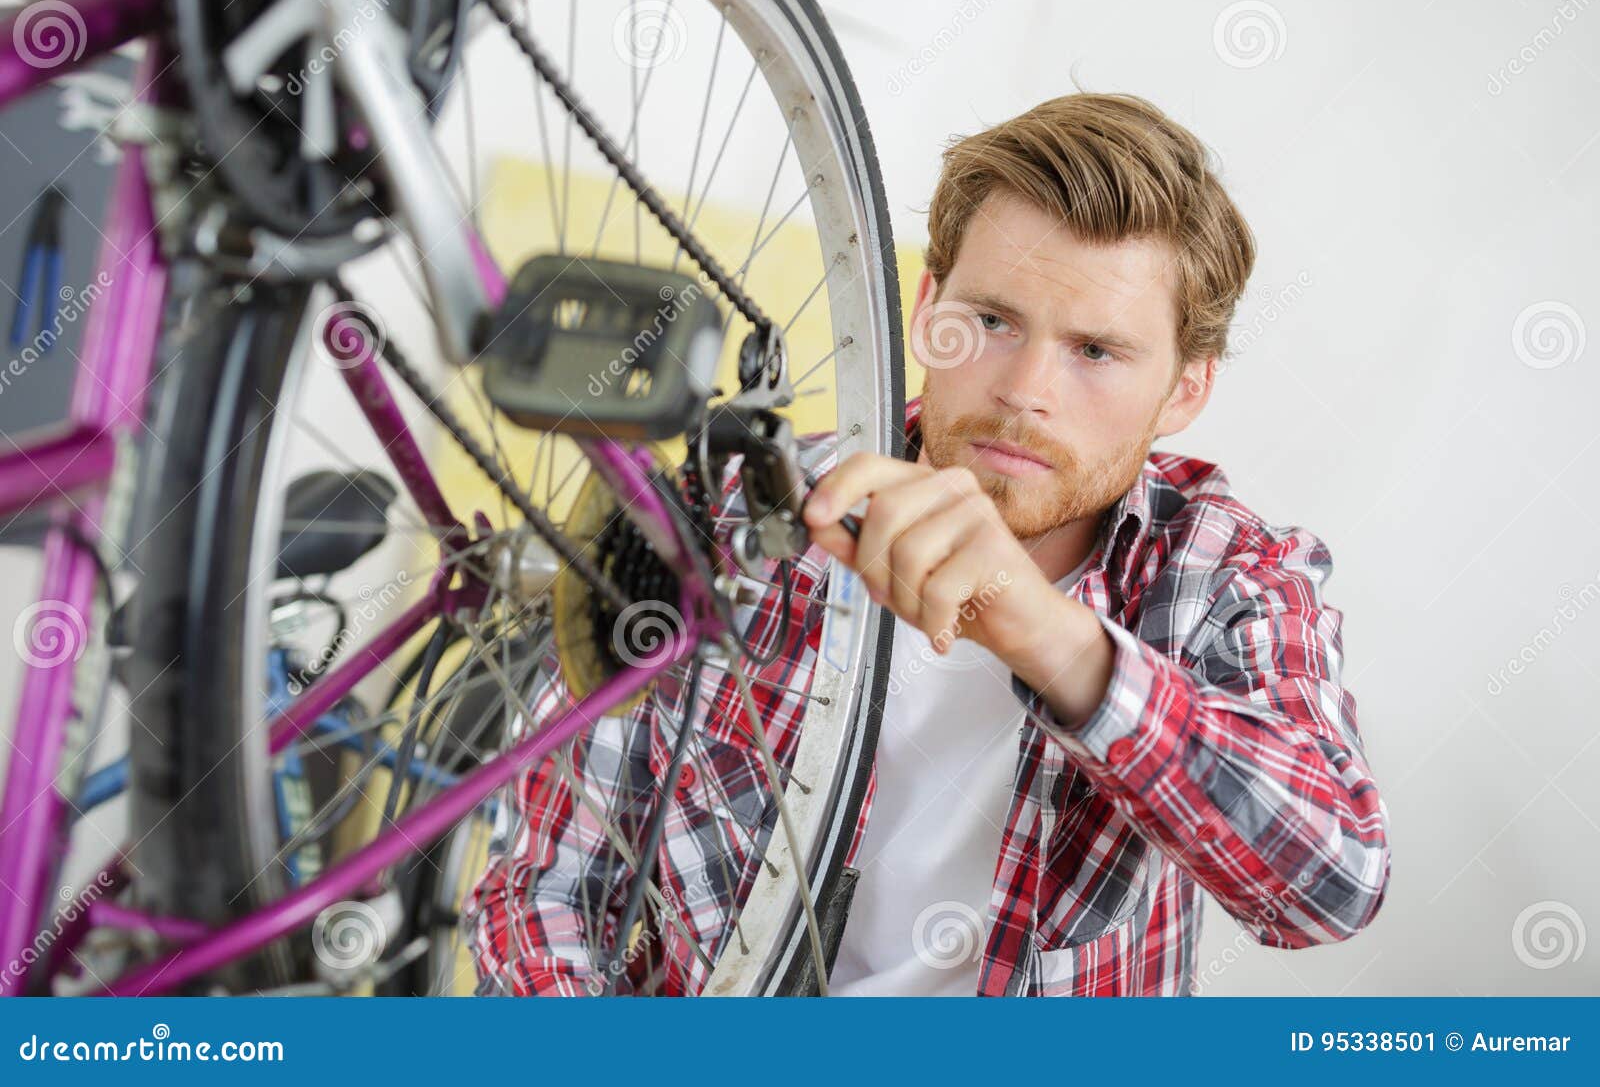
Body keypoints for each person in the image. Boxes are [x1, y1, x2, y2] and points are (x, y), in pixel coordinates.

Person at [465, 92, 1390, 997]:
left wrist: (1051, 640)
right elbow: (544, 891)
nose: (1026, 389)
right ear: (927, 306)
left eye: (1096, 352)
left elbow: (1333, 885)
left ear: (1186, 390)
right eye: (992, 321)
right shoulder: (735, 512)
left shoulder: (1229, 575)